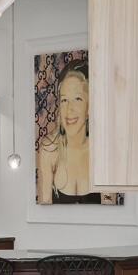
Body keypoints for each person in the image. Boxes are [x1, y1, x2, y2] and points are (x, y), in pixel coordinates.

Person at [37, 65, 91, 203]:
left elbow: (109, 209)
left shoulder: (102, 151)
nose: (69, 110)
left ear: (90, 106)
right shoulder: (50, 148)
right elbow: (43, 208)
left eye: (78, 99)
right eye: (64, 100)